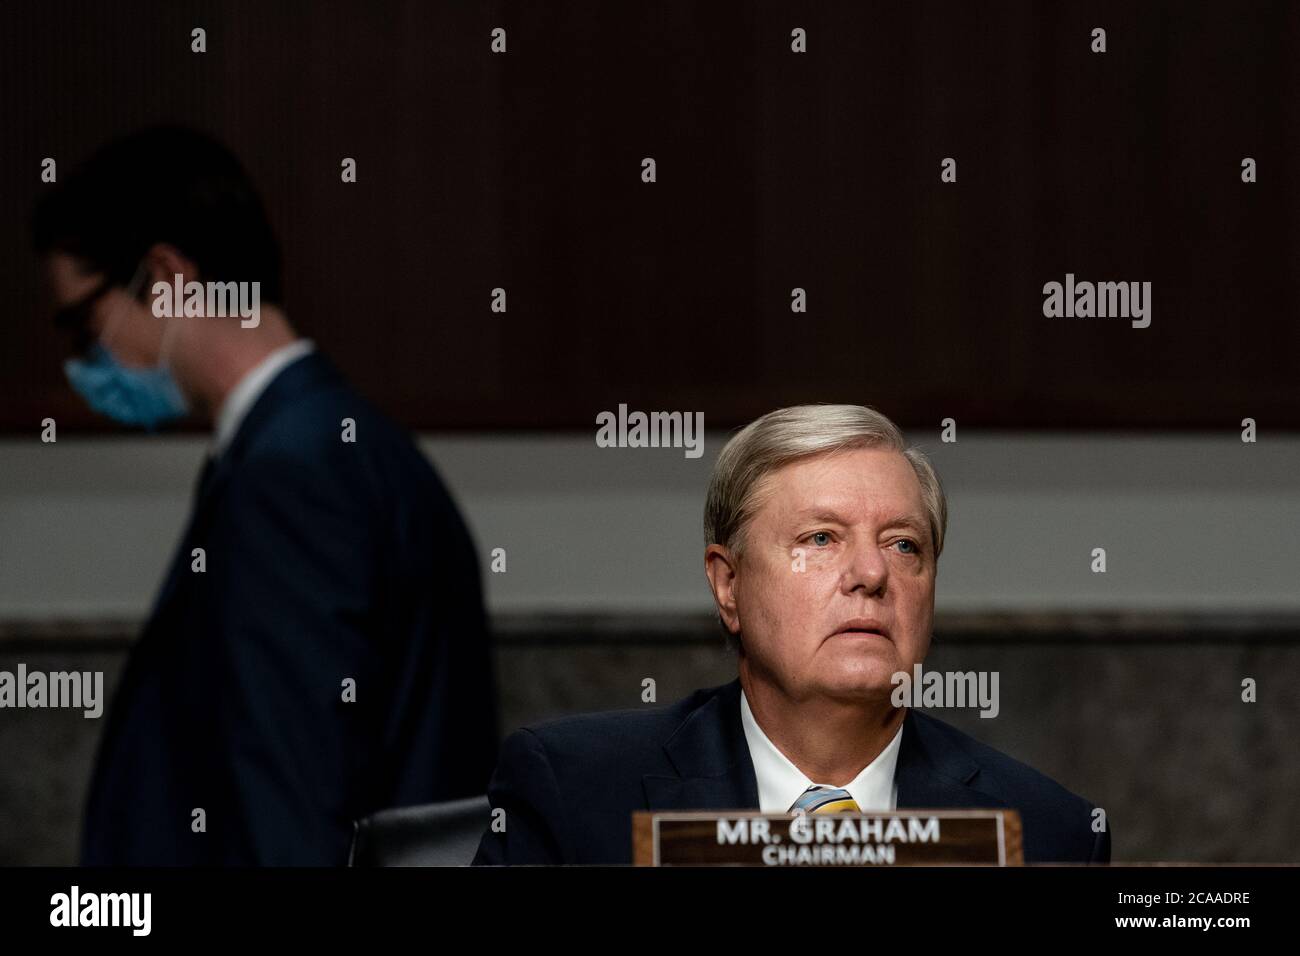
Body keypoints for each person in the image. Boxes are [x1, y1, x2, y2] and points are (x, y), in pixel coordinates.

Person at [33, 125, 498, 865]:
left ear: (166, 274)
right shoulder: (355, 446)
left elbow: (293, 790)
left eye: (83, 324)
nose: (84, 364)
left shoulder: (291, 474)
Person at [473, 404, 1110, 864]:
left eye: (904, 544)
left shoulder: (1048, 833)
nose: (870, 573)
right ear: (728, 585)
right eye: (820, 539)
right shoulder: (574, 793)